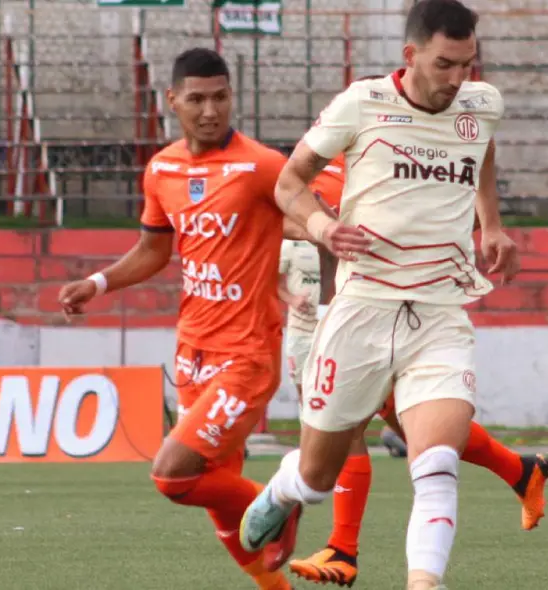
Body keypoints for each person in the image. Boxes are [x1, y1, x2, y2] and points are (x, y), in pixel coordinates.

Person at [238, 0, 521, 587]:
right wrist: (323, 227)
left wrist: (490, 224)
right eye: (445, 64)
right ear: (410, 55)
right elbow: (289, 183)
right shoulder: (361, 104)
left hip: (440, 313)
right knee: (318, 478)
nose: (458, 78)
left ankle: (424, 583)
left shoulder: (481, 104)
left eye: (467, 64)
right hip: (362, 310)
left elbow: (483, 148)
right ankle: (287, 488)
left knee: (436, 465)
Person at [56, 48, 359, 589]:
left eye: (220, 97)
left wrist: (332, 300)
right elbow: (154, 251)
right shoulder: (163, 169)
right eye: (196, 99)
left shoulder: (262, 166)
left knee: (171, 474)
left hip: (246, 354)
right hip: (192, 352)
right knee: (217, 495)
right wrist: (98, 283)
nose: (210, 110)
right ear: (172, 100)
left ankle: (280, 502)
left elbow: (319, 222)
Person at [282, 129, 548, 587]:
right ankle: (520, 471)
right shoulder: (326, 165)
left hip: (399, 318)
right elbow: (282, 213)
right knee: (407, 426)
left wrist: (483, 227)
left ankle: (343, 548)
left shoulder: (412, 160)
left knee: (358, 427)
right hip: (342, 314)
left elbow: (464, 191)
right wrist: (323, 225)